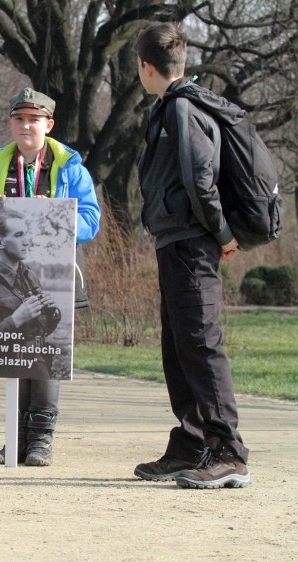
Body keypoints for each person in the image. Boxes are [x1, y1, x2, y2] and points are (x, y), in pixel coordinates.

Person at [132, 22, 249, 489]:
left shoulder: (184, 109)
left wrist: (222, 233)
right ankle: (191, 443)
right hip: (173, 241)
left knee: (200, 345)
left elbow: (201, 179)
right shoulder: (170, 108)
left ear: (145, 66)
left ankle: (230, 453)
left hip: (193, 243)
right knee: (178, 346)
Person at [0, 87, 100, 466]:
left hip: (56, 277)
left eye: (34, 119)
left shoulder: (72, 169)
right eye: (19, 119)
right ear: (10, 123)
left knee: (45, 357)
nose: (27, 125)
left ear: (49, 124)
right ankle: (15, 440)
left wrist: (56, 213)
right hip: (8, 281)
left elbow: (91, 222)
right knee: (14, 352)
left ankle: (41, 440)